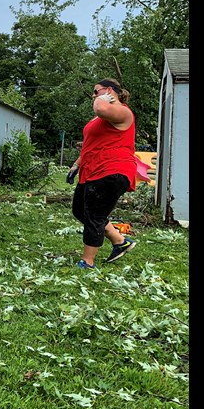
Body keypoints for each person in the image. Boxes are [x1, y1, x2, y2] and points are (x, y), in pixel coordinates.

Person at [67, 78, 139, 269]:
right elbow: (92, 143)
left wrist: (103, 98)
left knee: (94, 214)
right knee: (79, 210)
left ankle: (87, 261)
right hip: (92, 170)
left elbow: (99, 108)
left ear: (108, 90)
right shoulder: (101, 119)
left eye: (95, 91)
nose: (93, 95)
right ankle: (119, 240)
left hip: (113, 170)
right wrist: (76, 165)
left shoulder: (122, 111)